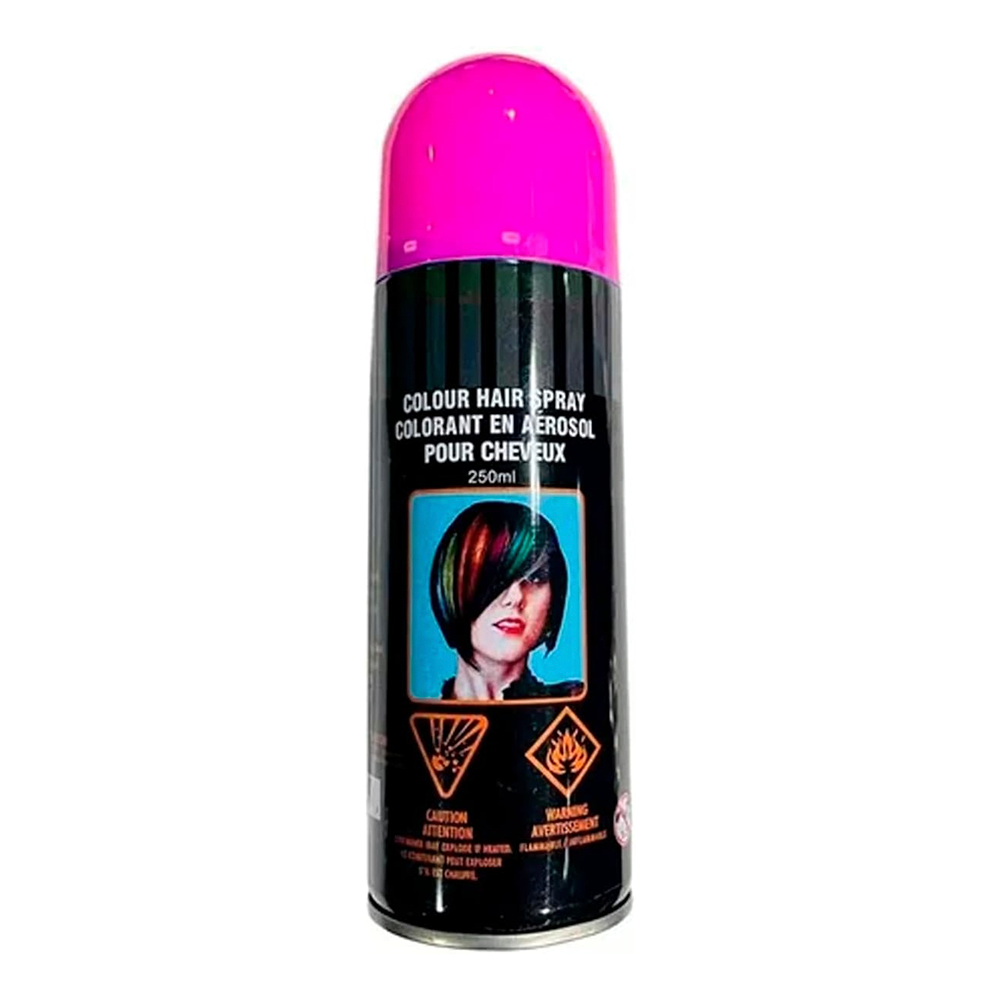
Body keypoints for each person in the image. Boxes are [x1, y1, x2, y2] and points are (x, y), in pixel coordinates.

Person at [429, 500, 582, 700]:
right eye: (495, 577)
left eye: (535, 578)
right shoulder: (415, 711)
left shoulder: (573, 703)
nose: (515, 598)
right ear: (452, 584)